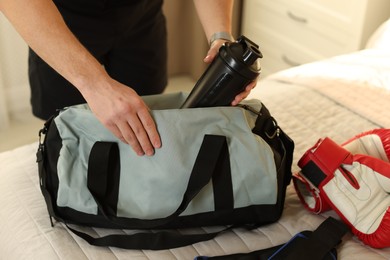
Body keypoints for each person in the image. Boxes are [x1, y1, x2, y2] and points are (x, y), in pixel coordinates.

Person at [0, 0, 256, 156]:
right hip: (61, 21)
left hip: (141, 14)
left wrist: (220, 37)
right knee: (66, 129)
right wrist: (95, 85)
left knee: (147, 121)